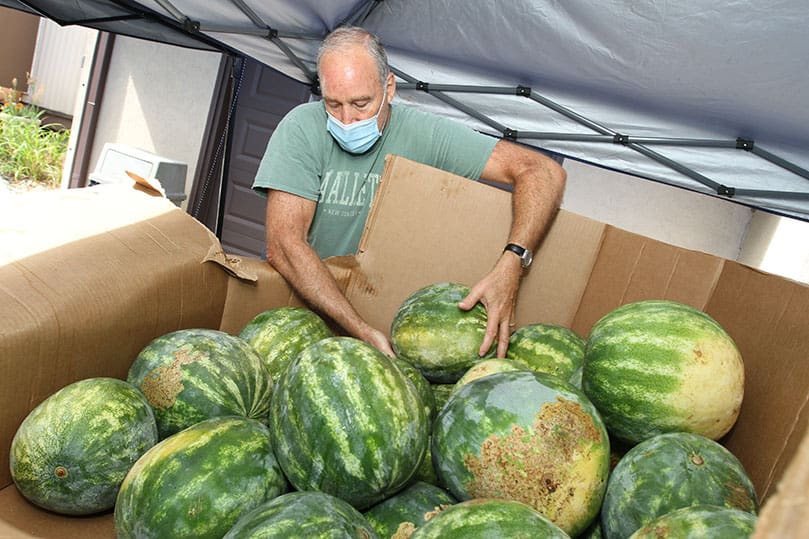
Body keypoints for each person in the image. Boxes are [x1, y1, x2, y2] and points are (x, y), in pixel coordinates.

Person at [253, 26, 566, 358]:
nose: (347, 120)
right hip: (302, 309)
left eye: (361, 103)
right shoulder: (301, 127)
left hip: (383, 314)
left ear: (389, 88)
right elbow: (285, 245)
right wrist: (359, 330)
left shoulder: (426, 134)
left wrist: (512, 263)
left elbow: (544, 172)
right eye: (333, 104)